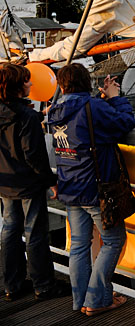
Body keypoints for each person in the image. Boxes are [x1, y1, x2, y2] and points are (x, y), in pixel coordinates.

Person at [48, 64, 135, 315]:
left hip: (70, 185)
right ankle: (96, 300)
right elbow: (125, 122)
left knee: (78, 245)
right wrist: (116, 98)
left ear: (62, 86)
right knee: (113, 241)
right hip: (95, 188)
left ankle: (81, 300)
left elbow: (82, 120)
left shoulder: (55, 110)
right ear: (87, 81)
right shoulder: (93, 108)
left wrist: (103, 99)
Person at [0, 63, 70, 301]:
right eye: (27, 81)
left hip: (5, 181)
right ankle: (43, 285)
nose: (31, 84)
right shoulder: (26, 117)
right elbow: (34, 155)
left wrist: (38, 115)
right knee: (35, 232)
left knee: (9, 230)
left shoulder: (11, 113)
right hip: (28, 184)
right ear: (18, 86)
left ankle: (12, 285)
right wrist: (51, 181)